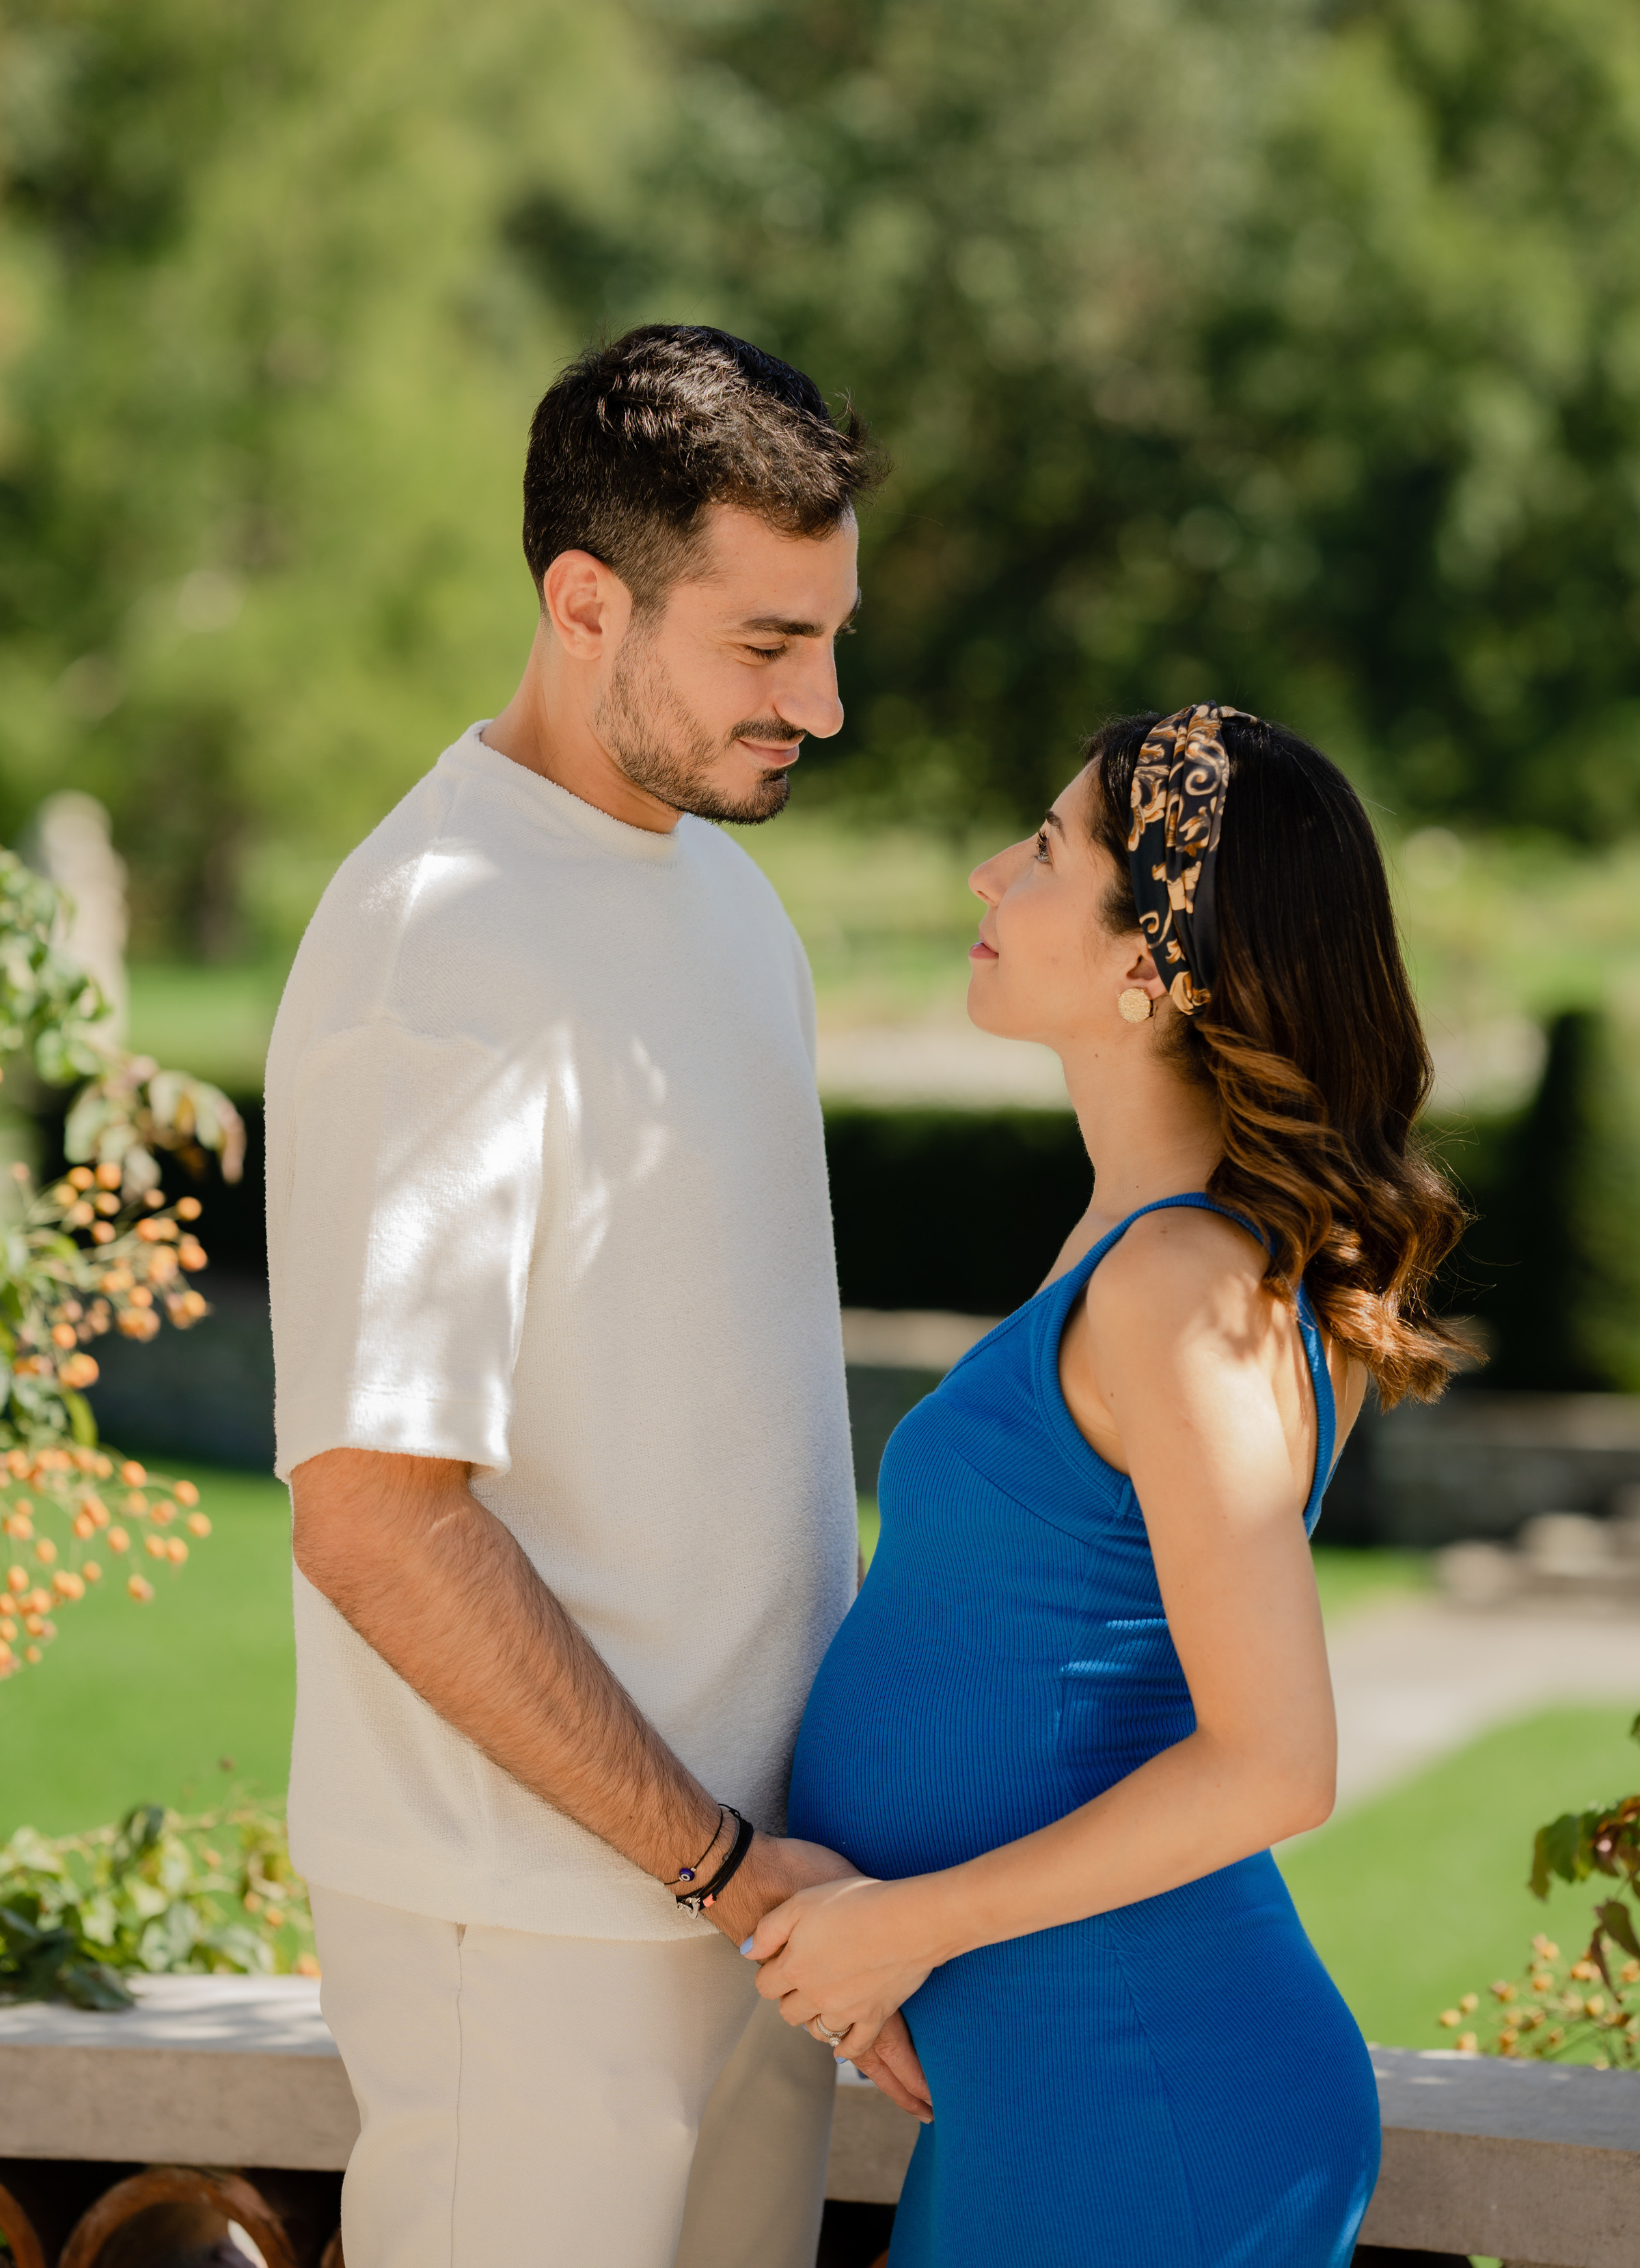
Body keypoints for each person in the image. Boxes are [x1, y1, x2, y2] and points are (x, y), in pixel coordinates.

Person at [266, 324, 922, 2268]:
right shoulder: (440, 948)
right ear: (583, 602)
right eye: (761, 643)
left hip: (754, 1917)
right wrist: (713, 1861)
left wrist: (769, 1881)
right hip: (532, 1932)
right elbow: (376, 1517)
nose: (818, 702)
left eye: (831, 636)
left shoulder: (724, 893)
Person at [759, 703, 1469, 2266]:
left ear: (1155, 962)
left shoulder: (1180, 1289)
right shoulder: (1145, 1251)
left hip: (1137, 2086)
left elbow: (1272, 1765)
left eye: (1044, 850)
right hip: (1045, 2075)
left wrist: (906, 1925)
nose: (982, 875)